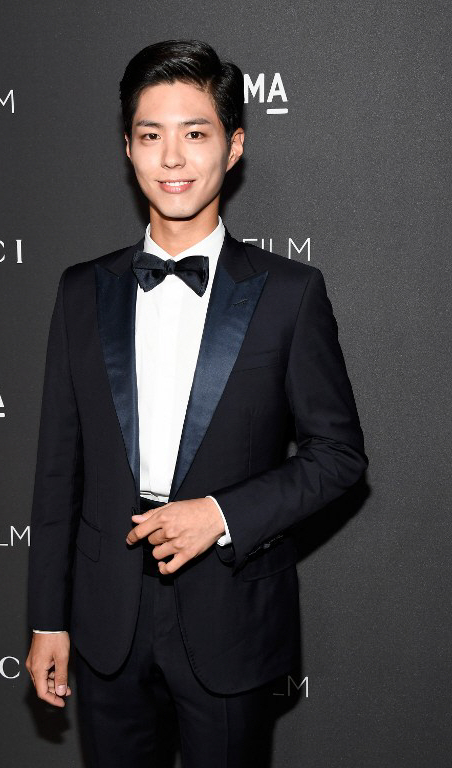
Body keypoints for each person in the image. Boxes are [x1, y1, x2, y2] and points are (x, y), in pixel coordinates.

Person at [26, 39, 368, 768]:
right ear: (128, 148)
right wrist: (47, 619)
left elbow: (339, 457)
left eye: (196, 133)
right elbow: (58, 470)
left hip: (230, 614)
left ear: (233, 146)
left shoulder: (290, 294)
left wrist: (219, 515)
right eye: (151, 135)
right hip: (107, 619)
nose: (172, 157)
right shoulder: (81, 291)